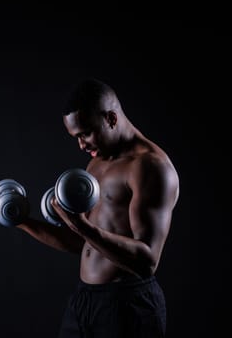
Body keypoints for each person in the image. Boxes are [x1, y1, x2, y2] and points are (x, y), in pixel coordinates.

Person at [16, 78, 179, 337]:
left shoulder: (150, 168)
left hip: (128, 306)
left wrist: (83, 226)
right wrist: (23, 221)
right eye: (76, 137)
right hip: (85, 302)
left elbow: (147, 261)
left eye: (85, 133)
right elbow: (85, 242)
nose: (81, 145)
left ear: (111, 119)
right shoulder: (97, 162)